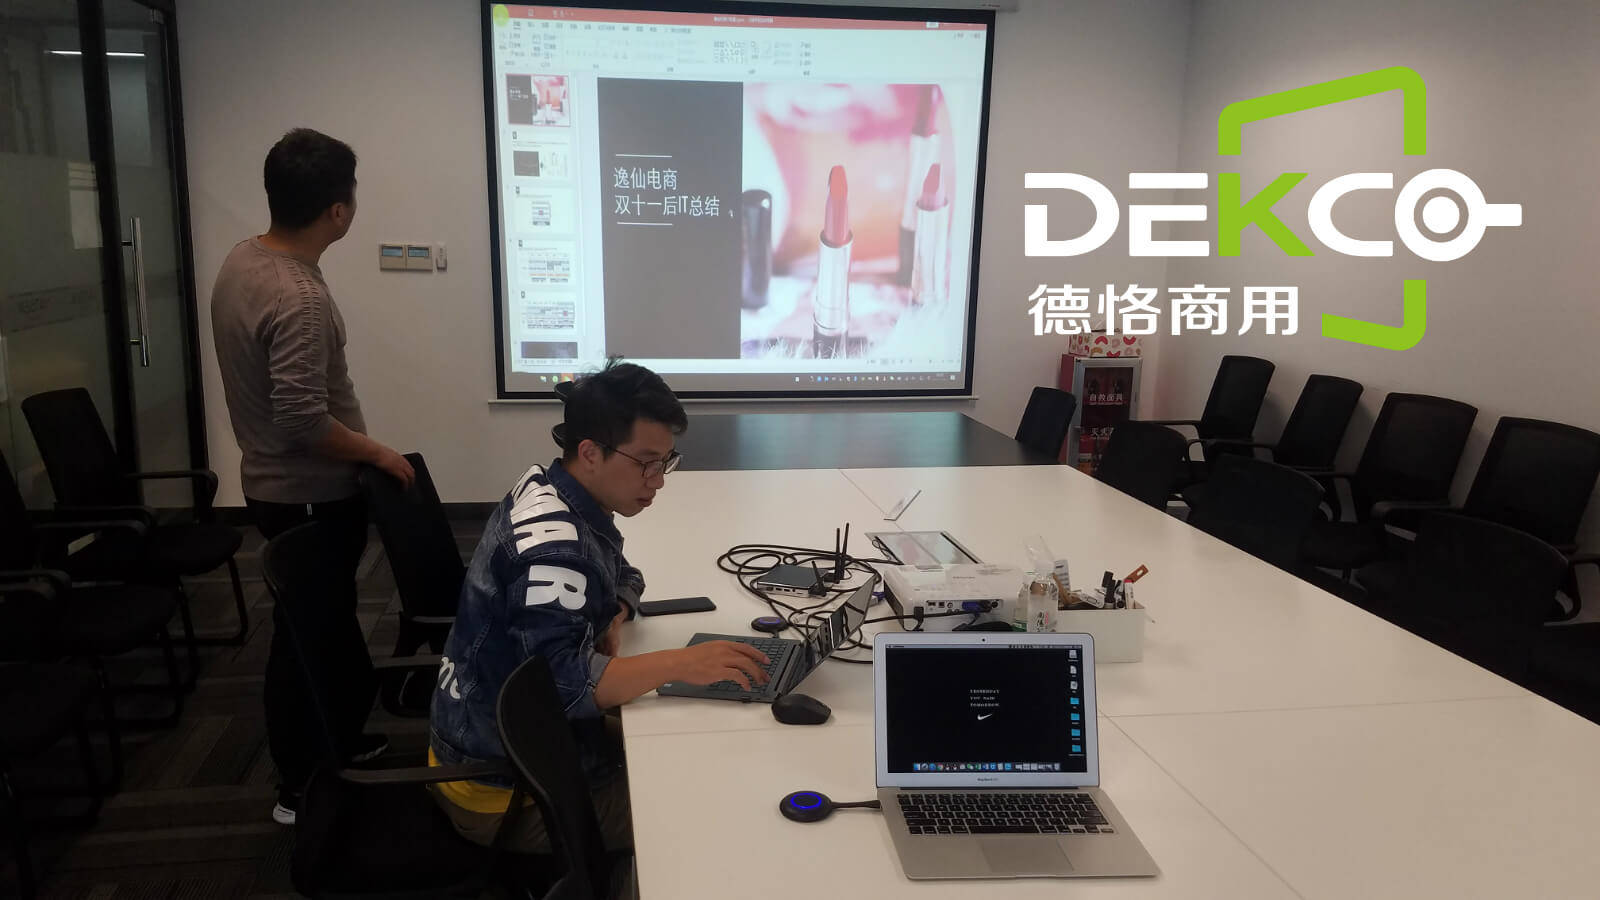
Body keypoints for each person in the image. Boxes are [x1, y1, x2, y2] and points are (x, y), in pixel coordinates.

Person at [429, 359, 769, 852]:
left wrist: (615, 611)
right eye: (646, 463)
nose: (659, 480)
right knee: (712, 807)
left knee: (694, 739)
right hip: (506, 789)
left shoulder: (555, 490)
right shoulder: (557, 553)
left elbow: (625, 574)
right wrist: (681, 663)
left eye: (666, 462)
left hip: (508, 737)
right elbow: (566, 688)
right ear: (590, 453)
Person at [210, 127, 416, 825]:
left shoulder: (245, 259)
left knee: (321, 627)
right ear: (338, 209)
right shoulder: (297, 295)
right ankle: (301, 785)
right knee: (304, 640)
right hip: (306, 496)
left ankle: (340, 745)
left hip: (275, 487)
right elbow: (301, 418)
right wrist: (375, 453)